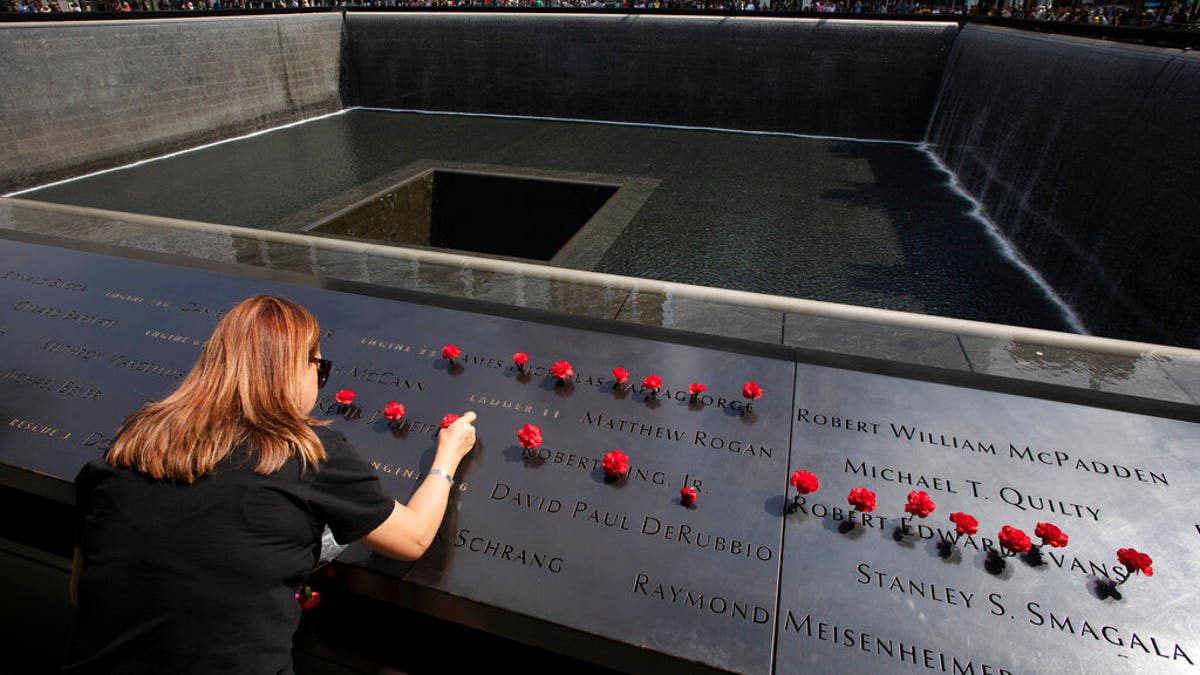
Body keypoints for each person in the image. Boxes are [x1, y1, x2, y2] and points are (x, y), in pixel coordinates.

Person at [64, 295, 479, 673]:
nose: (319, 382)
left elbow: (81, 591)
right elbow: (414, 539)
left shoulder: (131, 445)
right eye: (320, 367)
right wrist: (447, 455)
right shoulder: (305, 453)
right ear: (295, 367)